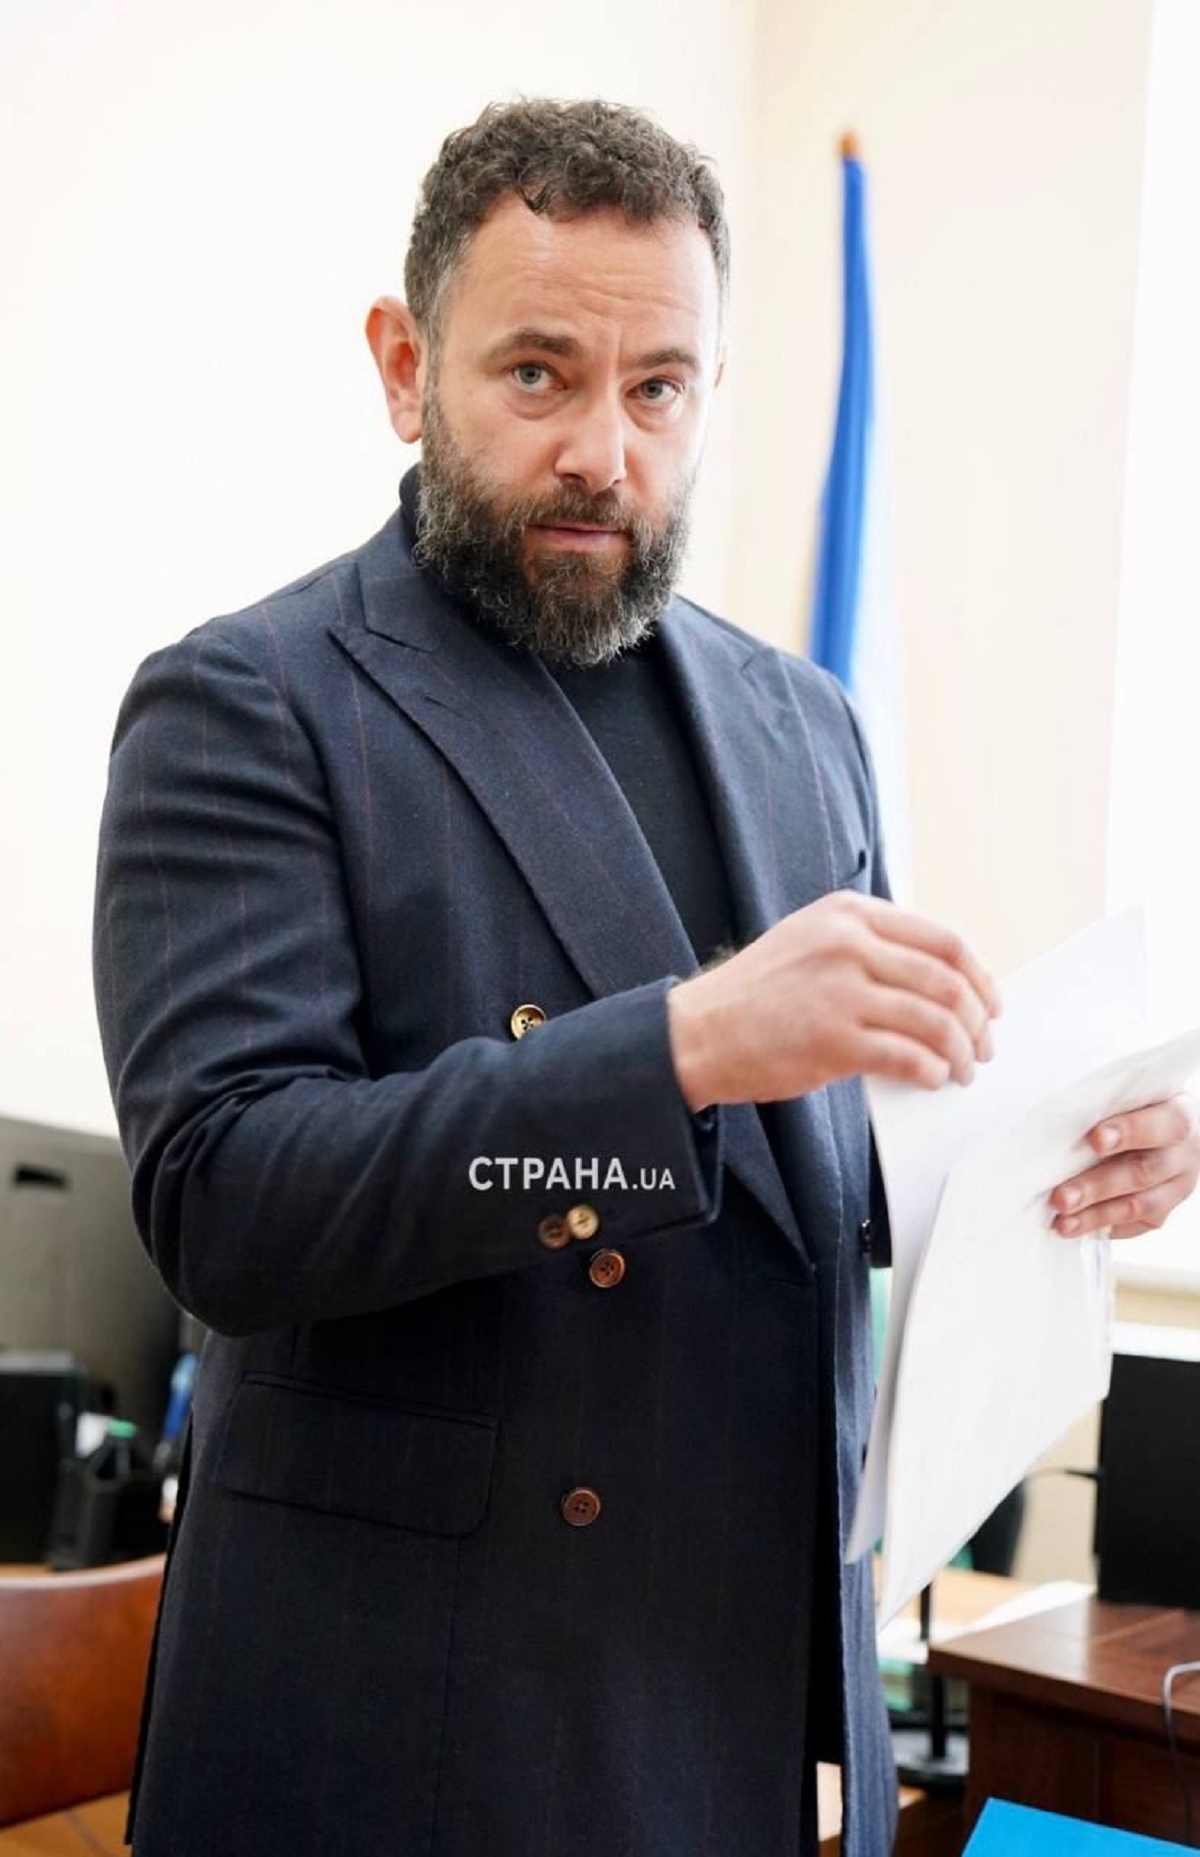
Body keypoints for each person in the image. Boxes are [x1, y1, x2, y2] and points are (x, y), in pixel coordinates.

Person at [93, 98, 1200, 1857]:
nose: (605, 450)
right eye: (539, 373)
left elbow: (808, 1179)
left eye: (661, 387)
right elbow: (230, 1203)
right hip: (407, 1717)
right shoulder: (250, 700)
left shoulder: (805, 724)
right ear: (405, 365)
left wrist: (1058, 1160)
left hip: (734, 1689)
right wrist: (674, 1048)